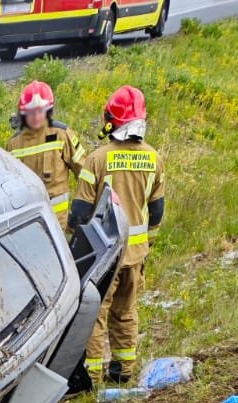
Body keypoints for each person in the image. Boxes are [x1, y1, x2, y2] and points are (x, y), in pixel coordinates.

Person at [70, 85, 165, 385]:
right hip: (136, 255)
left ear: (111, 121)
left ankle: (92, 375)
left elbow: (79, 213)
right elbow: (157, 211)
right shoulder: (154, 158)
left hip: (105, 256)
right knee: (126, 310)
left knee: (96, 314)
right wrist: (147, 244)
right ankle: (123, 370)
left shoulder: (97, 159)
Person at [6, 81, 85, 231]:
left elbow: (84, 172)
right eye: (31, 112)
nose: (36, 116)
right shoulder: (14, 144)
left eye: (40, 111)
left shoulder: (61, 134)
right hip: (29, 224)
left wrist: (82, 208)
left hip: (59, 223)